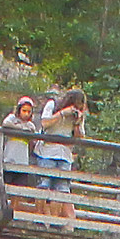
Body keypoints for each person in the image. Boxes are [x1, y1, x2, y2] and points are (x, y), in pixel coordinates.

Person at [35, 85, 85, 224]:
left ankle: (53, 220)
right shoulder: (53, 104)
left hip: (65, 154)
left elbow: (79, 137)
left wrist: (77, 122)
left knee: (61, 189)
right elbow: (45, 123)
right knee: (44, 185)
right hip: (47, 152)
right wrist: (63, 113)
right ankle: (39, 220)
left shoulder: (79, 114)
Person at [0, 95, 40, 215]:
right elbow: (5, 124)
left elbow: (33, 134)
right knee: (5, 185)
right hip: (9, 158)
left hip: (22, 161)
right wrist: (20, 127)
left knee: (18, 188)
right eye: (24, 111)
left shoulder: (31, 125)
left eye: (29, 112)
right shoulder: (12, 119)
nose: (26, 114)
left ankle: (13, 209)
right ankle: (2, 208)